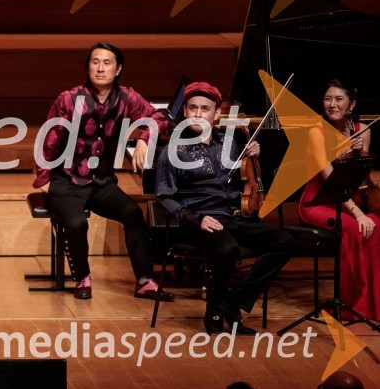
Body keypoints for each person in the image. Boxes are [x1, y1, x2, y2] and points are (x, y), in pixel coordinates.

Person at [33, 41, 172, 301]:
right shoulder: (69, 98)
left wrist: (144, 138)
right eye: (95, 62)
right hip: (68, 180)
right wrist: (44, 177)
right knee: (76, 223)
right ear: (88, 67)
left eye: (107, 63)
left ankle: (144, 280)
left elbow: (160, 117)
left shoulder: (127, 98)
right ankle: (82, 277)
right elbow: (49, 138)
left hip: (102, 182)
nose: (100, 68)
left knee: (132, 214)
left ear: (118, 69)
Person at [155, 81, 294, 334]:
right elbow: (164, 196)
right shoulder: (173, 150)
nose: (198, 113)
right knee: (227, 247)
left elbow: (248, 180)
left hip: (232, 217)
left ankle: (233, 301)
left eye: (205, 109)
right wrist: (195, 219)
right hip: (197, 221)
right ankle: (216, 311)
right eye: (193, 108)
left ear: (216, 114)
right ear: (185, 111)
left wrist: (254, 156)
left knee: (284, 240)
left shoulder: (230, 144)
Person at [298, 79, 380, 321]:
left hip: (348, 201)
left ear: (351, 104)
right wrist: (357, 213)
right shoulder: (316, 132)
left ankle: (373, 305)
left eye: (338, 99)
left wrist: (359, 153)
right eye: (327, 99)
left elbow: (363, 177)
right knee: (356, 228)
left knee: (377, 226)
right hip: (317, 203)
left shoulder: (363, 130)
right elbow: (331, 182)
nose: (332, 104)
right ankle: (350, 305)